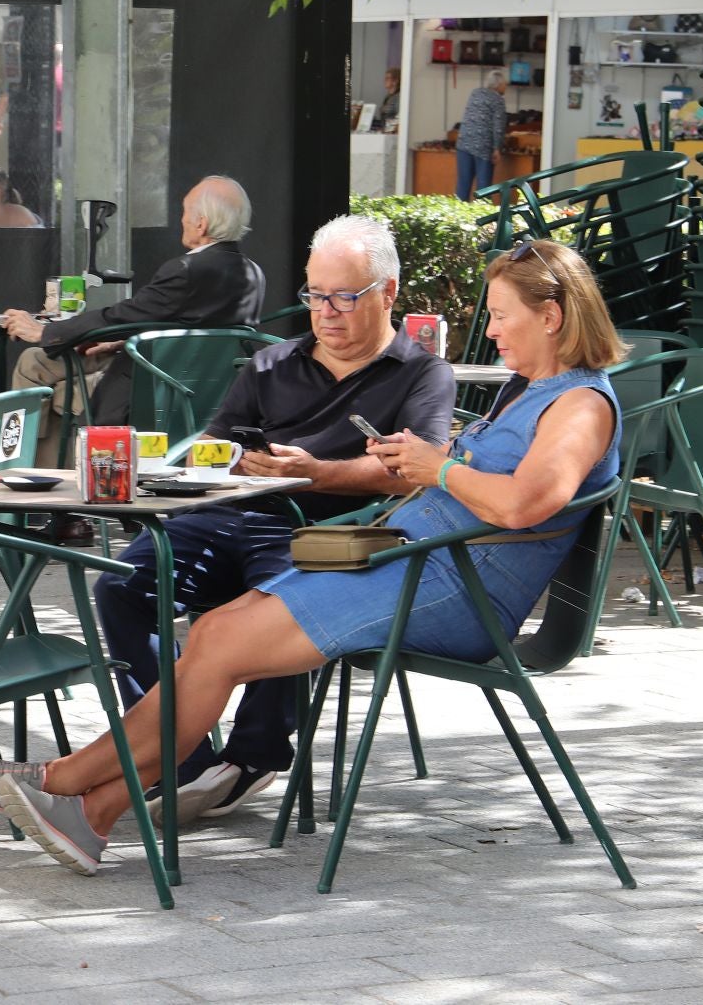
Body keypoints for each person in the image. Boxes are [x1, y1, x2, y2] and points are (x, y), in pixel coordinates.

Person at [0, 238, 623, 878]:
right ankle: (90, 812)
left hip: (452, 588)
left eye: (502, 315)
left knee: (220, 641)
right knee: (213, 632)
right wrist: (430, 461)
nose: (493, 329)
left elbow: (526, 503)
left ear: (551, 316)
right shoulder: (529, 389)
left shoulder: (581, 404)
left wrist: (439, 467)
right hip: (413, 564)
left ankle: (62, 781)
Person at [80, 215, 457, 822]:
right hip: (233, 513)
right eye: (315, 295)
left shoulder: (421, 373)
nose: (325, 313)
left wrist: (316, 473)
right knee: (122, 586)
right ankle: (181, 756)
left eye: (343, 297)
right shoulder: (272, 363)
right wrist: (229, 462)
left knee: (287, 595)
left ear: (387, 292)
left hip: (329, 532)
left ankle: (254, 754)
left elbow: (416, 470)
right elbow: (215, 444)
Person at [2, 176, 265, 459]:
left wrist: (44, 331)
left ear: (201, 223)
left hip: (153, 388)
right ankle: (41, 468)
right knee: (35, 361)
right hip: (202, 385)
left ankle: (16, 463)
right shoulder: (253, 274)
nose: (182, 220)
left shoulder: (187, 270)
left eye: (185, 212)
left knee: (42, 377)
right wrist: (123, 341)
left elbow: (123, 316)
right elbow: (188, 325)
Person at [456, 70, 507, 201]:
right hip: (483, 146)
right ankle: (482, 212)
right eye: (505, 84)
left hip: (464, 143)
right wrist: (497, 148)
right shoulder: (498, 100)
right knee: (483, 187)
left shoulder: (475, 93)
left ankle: (459, 211)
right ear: (499, 85)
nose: (506, 87)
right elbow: (498, 126)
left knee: (463, 184)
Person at [377, 67, 402, 132]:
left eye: (387, 78)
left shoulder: (399, 97)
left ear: (395, 81)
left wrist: (391, 129)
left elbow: (399, 117)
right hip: (386, 131)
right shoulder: (387, 97)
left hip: (393, 133)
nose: (385, 80)